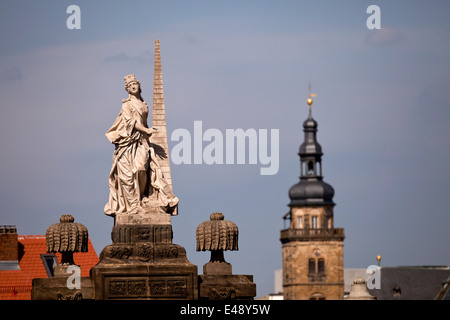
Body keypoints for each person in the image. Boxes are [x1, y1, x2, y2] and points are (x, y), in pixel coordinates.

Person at [104, 74, 178, 216]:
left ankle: (143, 196)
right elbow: (130, 123)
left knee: (142, 168)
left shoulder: (144, 105)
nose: (133, 85)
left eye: (135, 83)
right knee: (132, 173)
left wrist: (147, 132)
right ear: (127, 89)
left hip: (142, 141)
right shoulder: (126, 105)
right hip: (128, 143)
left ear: (139, 86)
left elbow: (142, 122)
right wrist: (147, 130)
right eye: (130, 85)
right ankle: (135, 202)